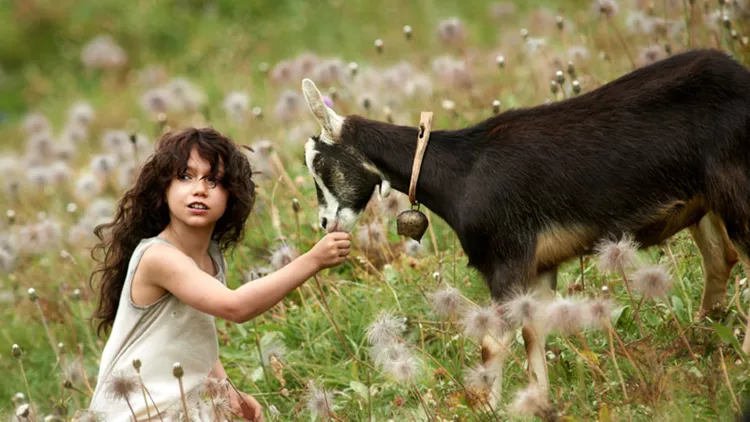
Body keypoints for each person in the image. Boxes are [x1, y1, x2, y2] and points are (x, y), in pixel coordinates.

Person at [86, 127, 351, 421]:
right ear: (163, 190)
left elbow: (196, 335)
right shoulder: (159, 257)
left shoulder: (210, 258)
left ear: (230, 197)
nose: (199, 188)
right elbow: (235, 307)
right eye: (185, 176)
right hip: (134, 413)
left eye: (213, 180)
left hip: (180, 411)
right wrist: (312, 260)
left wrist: (228, 392)